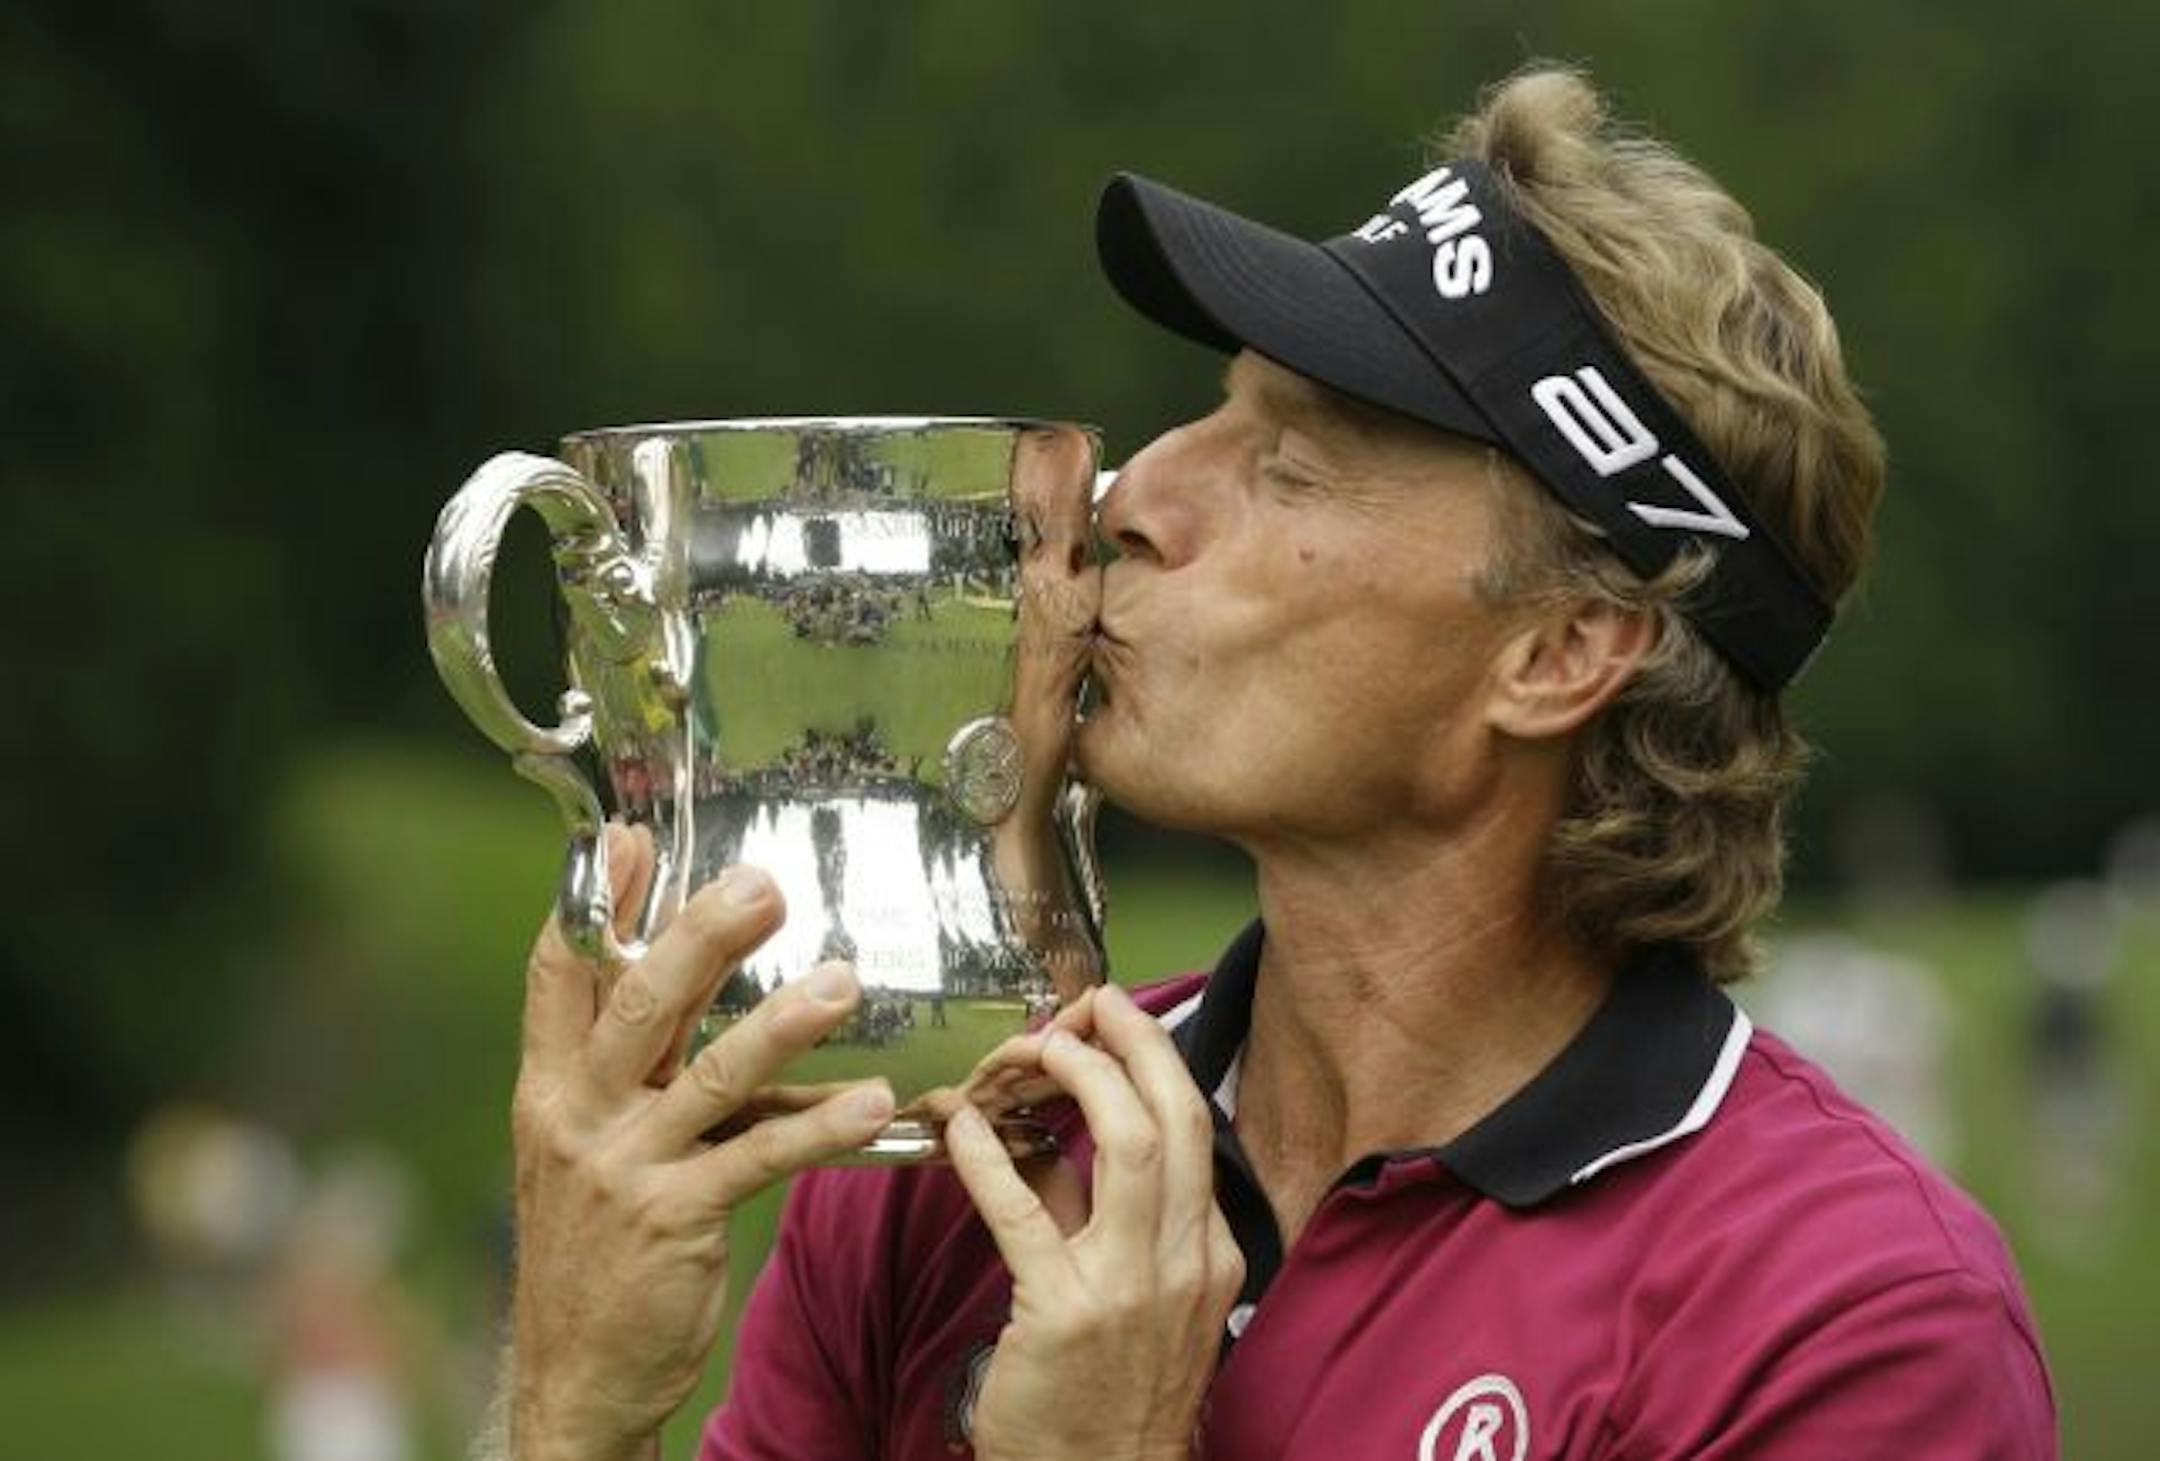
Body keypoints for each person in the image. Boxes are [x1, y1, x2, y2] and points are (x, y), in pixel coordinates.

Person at [493, 66, 2056, 1460]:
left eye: (1292, 464)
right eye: (1215, 411)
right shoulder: (967, 1147)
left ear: (1563, 649)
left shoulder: (1846, 1324)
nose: (1134, 494)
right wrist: (575, 1408)